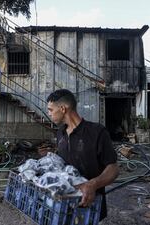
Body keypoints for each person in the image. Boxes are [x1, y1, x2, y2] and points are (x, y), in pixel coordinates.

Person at [46, 89, 119, 221]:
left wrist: (93, 184)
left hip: (91, 205)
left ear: (62, 108)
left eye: (50, 110)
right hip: (64, 206)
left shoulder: (97, 132)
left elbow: (113, 169)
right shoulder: (60, 133)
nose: (49, 114)